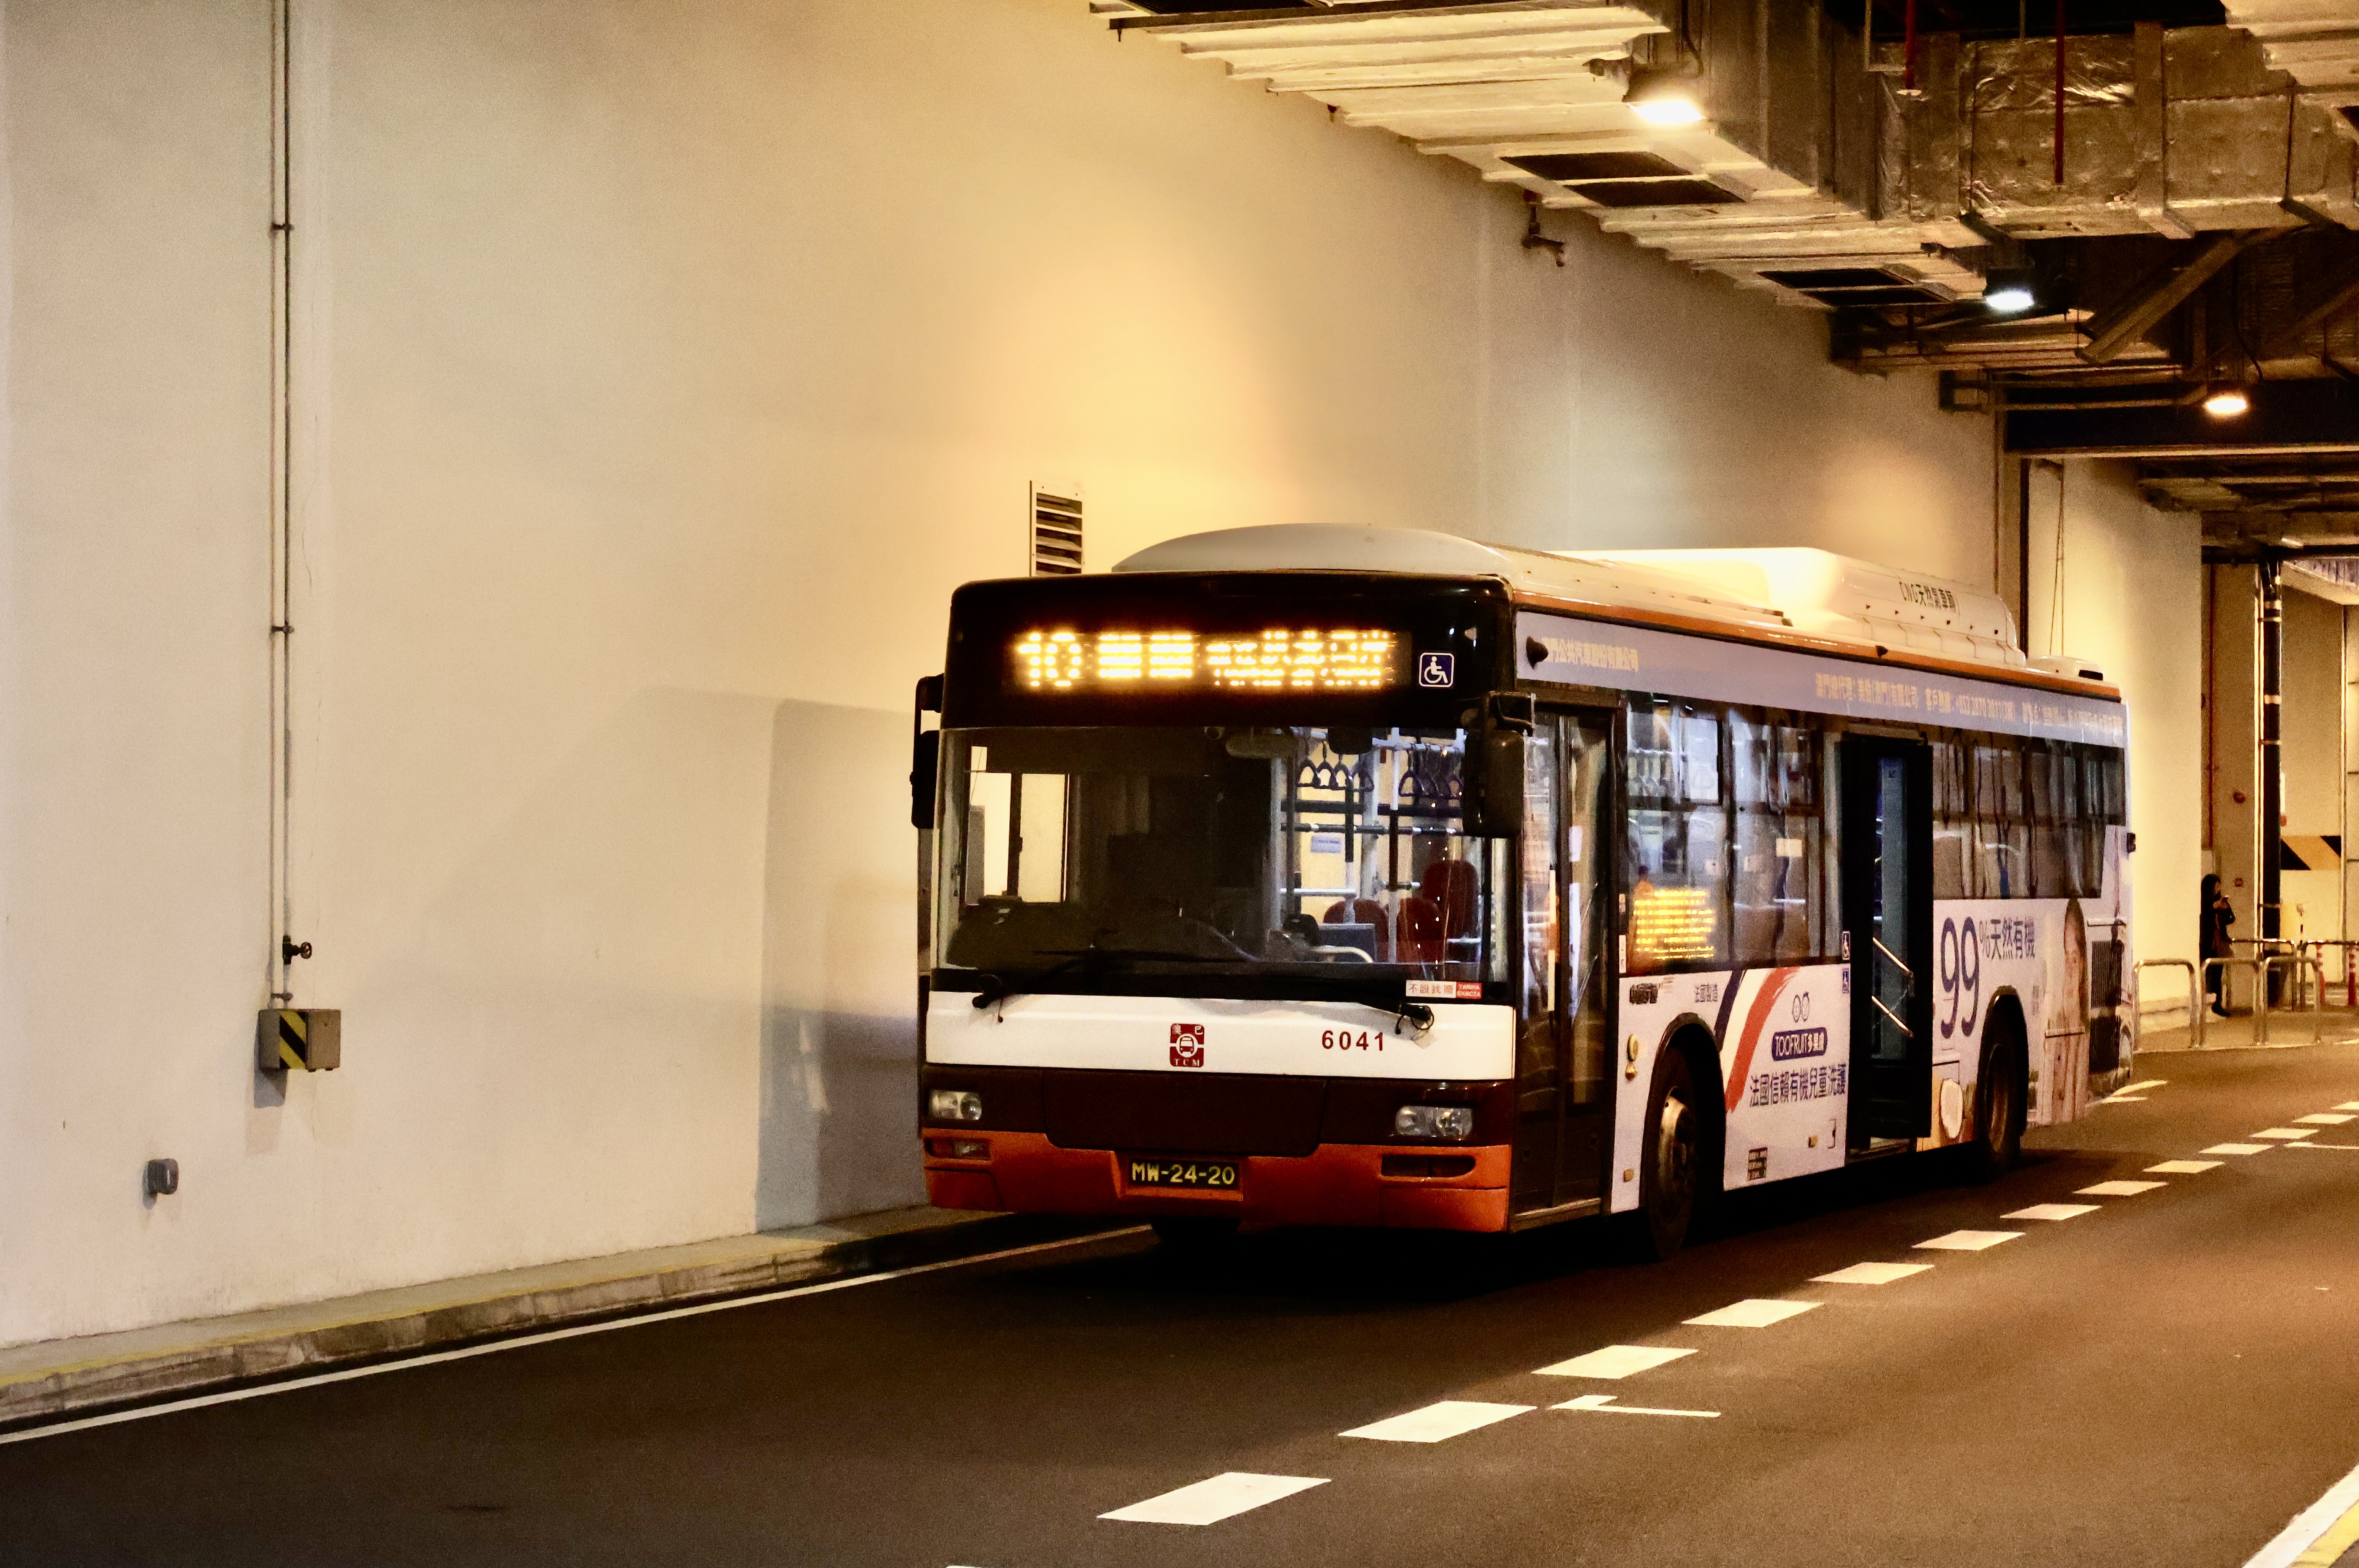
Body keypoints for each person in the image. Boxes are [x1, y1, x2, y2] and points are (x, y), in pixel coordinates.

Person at [2200, 873, 2236, 1018]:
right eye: (2215, 886)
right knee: (2206, 973)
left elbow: (2231, 919)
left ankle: (2217, 1004)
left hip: (2219, 943)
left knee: (2217, 976)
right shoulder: (2203, 902)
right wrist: (2214, 907)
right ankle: (2206, 1000)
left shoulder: (2219, 902)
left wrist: (2225, 909)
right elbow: (2205, 916)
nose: (2218, 889)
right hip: (2208, 943)